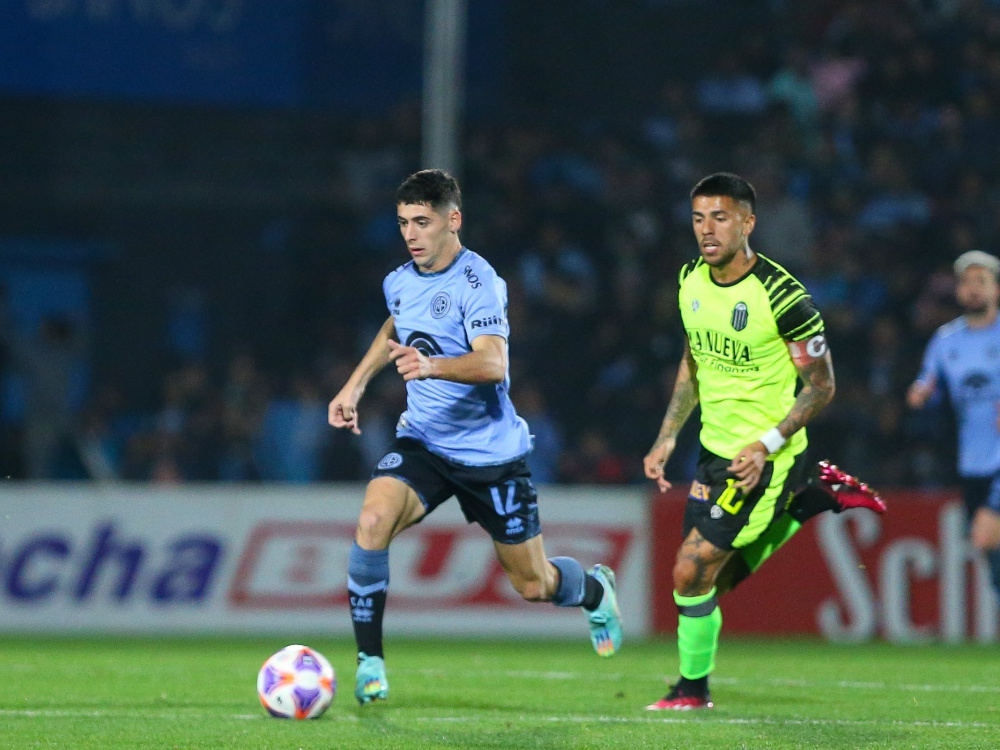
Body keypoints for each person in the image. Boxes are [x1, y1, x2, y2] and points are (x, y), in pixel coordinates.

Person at [328, 169, 622, 705]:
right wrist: (353, 386)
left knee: (533, 585)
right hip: (423, 443)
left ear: (452, 220)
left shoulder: (478, 281)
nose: (411, 234)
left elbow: (493, 362)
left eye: (422, 222)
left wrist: (432, 366)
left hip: (490, 457)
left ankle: (593, 588)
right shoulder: (398, 280)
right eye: (402, 223)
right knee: (372, 521)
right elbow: (393, 325)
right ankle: (370, 663)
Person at [642, 173, 886, 711]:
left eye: (720, 217)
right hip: (712, 449)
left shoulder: (784, 297)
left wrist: (769, 442)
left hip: (761, 457)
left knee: (689, 573)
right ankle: (811, 501)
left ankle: (691, 691)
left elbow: (822, 385)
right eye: (699, 217)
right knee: (704, 585)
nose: (707, 230)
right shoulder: (689, 279)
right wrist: (666, 437)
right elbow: (693, 362)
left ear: (748, 222)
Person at [907, 250, 1000, 599]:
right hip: (972, 459)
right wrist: (920, 394)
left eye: (981, 281)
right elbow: (927, 384)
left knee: (985, 534)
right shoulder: (946, 341)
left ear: (996, 290)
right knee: (987, 547)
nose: (973, 288)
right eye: (966, 282)